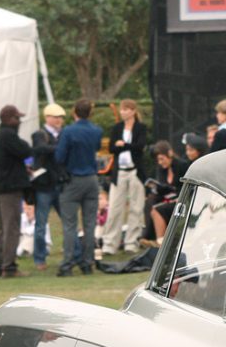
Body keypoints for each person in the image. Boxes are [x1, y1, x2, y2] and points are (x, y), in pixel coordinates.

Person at [54, 97, 103, 276]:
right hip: (91, 179)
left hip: (73, 179)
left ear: (74, 112)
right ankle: (87, 263)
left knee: (69, 224)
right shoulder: (96, 130)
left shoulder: (68, 131)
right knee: (90, 224)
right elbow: (97, 148)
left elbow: (59, 156)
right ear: (90, 113)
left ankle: (67, 263)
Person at [0, 104, 33, 278]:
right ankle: (9, 267)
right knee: (12, 228)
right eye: (17, 118)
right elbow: (25, 150)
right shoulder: (8, 136)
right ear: (9, 120)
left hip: (0, 188)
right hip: (10, 190)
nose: (19, 121)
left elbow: (9, 161)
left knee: (3, 229)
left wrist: (22, 169)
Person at [102, 99, 148, 255]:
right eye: (121, 109)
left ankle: (131, 242)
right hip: (119, 171)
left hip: (135, 171)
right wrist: (119, 146)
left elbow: (140, 146)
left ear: (133, 111)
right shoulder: (117, 128)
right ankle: (109, 244)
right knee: (115, 207)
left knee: (136, 208)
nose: (123, 112)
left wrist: (125, 145)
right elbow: (112, 148)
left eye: (126, 109)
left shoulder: (140, 128)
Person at [29, 103, 67, 270]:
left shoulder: (63, 134)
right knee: (41, 224)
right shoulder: (40, 134)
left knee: (68, 222)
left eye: (61, 117)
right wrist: (60, 149)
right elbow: (39, 148)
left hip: (59, 184)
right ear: (47, 118)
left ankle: (70, 254)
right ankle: (39, 258)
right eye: (56, 117)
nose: (59, 120)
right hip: (44, 186)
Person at [143, 140, 190, 245]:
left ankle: (160, 241)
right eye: (158, 160)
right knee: (150, 200)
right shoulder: (161, 169)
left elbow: (185, 187)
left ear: (169, 154)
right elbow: (163, 187)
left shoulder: (182, 166)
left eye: (162, 159)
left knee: (156, 210)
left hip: (182, 199)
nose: (160, 162)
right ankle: (149, 236)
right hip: (168, 197)